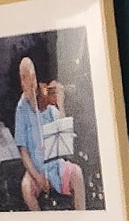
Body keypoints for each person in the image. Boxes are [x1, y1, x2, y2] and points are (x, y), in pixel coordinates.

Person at [13, 55, 86, 209]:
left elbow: (63, 132)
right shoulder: (21, 108)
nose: (30, 82)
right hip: (36, 166)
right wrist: (37, 177)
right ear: (21, 79)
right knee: (26, 188)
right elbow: (23, 152)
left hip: (55, 165)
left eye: (32, 76)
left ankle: (83, 216)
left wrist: (61, 104)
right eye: (25, 77)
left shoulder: (47, 103)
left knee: (77, 173)